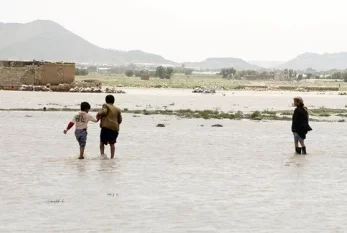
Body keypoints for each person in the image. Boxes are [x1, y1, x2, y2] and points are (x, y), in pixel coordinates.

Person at [96, 95, 122, 159]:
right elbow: (120, 120)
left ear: (106, 100)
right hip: (115, 129)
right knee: (112, 143)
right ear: (113, 101)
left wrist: (98, 114)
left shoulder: (105, 105)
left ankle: (102, 155)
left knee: (102, 142)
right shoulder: (118, 109)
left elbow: (103, 111)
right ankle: (112, 157)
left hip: (106, 127)